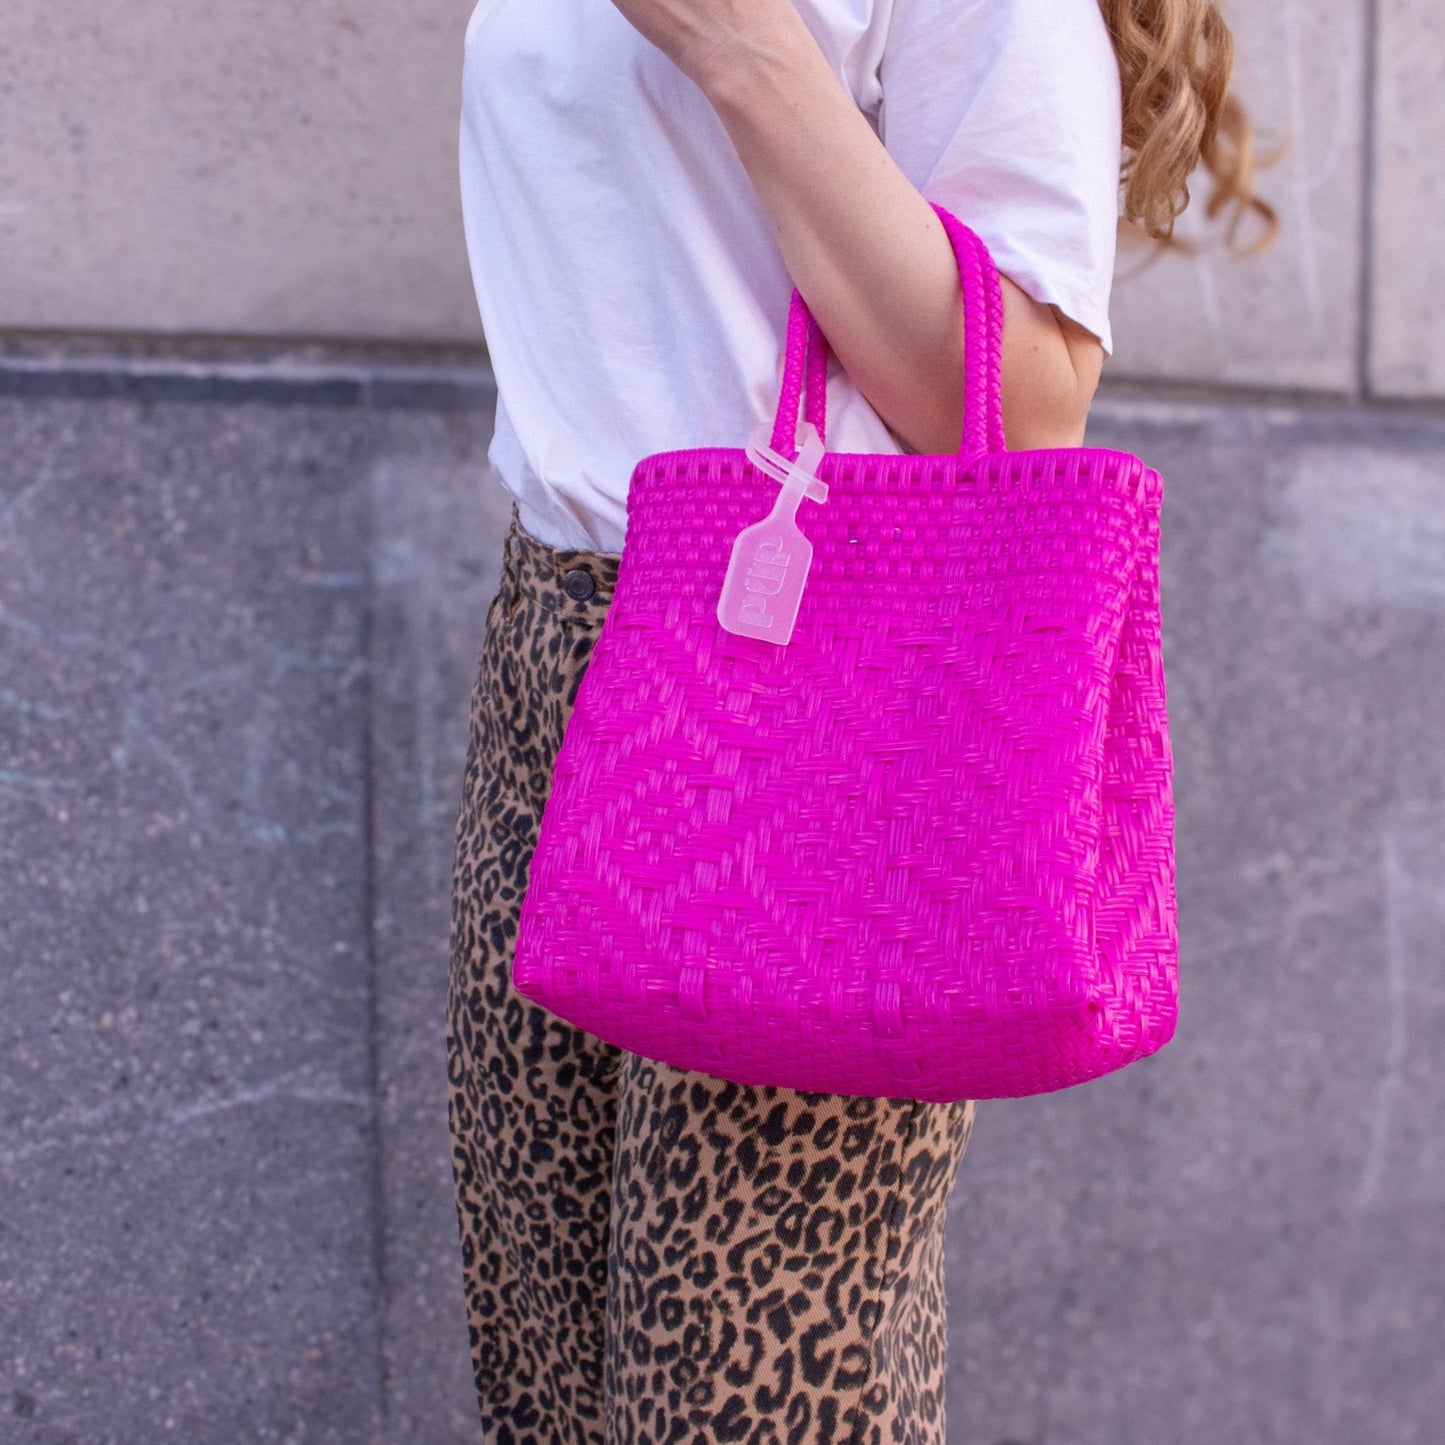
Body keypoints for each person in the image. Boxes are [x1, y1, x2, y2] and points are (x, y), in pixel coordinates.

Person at [445, 1, 1273, 1441]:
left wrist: (745, 51)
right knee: (546, 1381)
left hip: (812, 701)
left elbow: (1021, 404)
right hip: (557, 643)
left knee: (748, 1403)